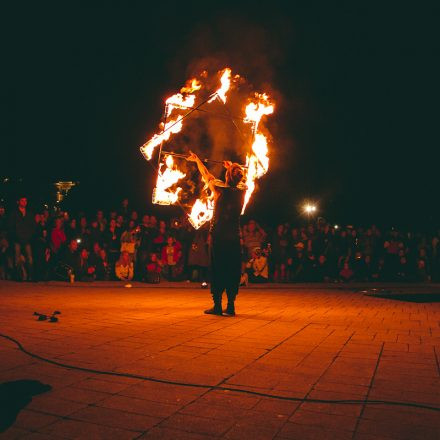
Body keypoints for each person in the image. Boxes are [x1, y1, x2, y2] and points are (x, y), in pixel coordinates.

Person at [186, 151, 246, 316]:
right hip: (234, 238)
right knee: (232, 270)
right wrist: (231, 168)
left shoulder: (219, 188)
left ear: (227, 175)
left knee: (218, 269)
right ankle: (231, 305)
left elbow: (205, 174)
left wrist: (198, 159)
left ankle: (218, 306)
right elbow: (241, 179)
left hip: (219, 238)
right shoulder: (243, 190)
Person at [9, 196, 36, 281]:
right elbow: (11, 227)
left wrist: (30, 237)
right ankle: (18, 276)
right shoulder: (14, 213)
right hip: (17, 239)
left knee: (30, 258)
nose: (24, 202)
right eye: (22, 200)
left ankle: (30, 276)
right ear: (18, 202)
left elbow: (32, 226)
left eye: (25, 201)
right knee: (17, 259)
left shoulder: (29, 213)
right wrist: (16, 236)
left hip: (27, 239)